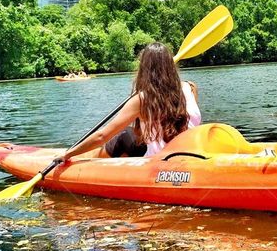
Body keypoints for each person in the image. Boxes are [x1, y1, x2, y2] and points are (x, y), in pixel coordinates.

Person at [55, 42, 201, 163]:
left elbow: (102, 136)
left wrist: (68, 154)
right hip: (193, 155)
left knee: (124, 135)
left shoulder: (142, 100)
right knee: (132, 134)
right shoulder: (190, 87)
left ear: (144, 69)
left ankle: (80, 159)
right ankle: (86, 156)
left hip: (160, 162)